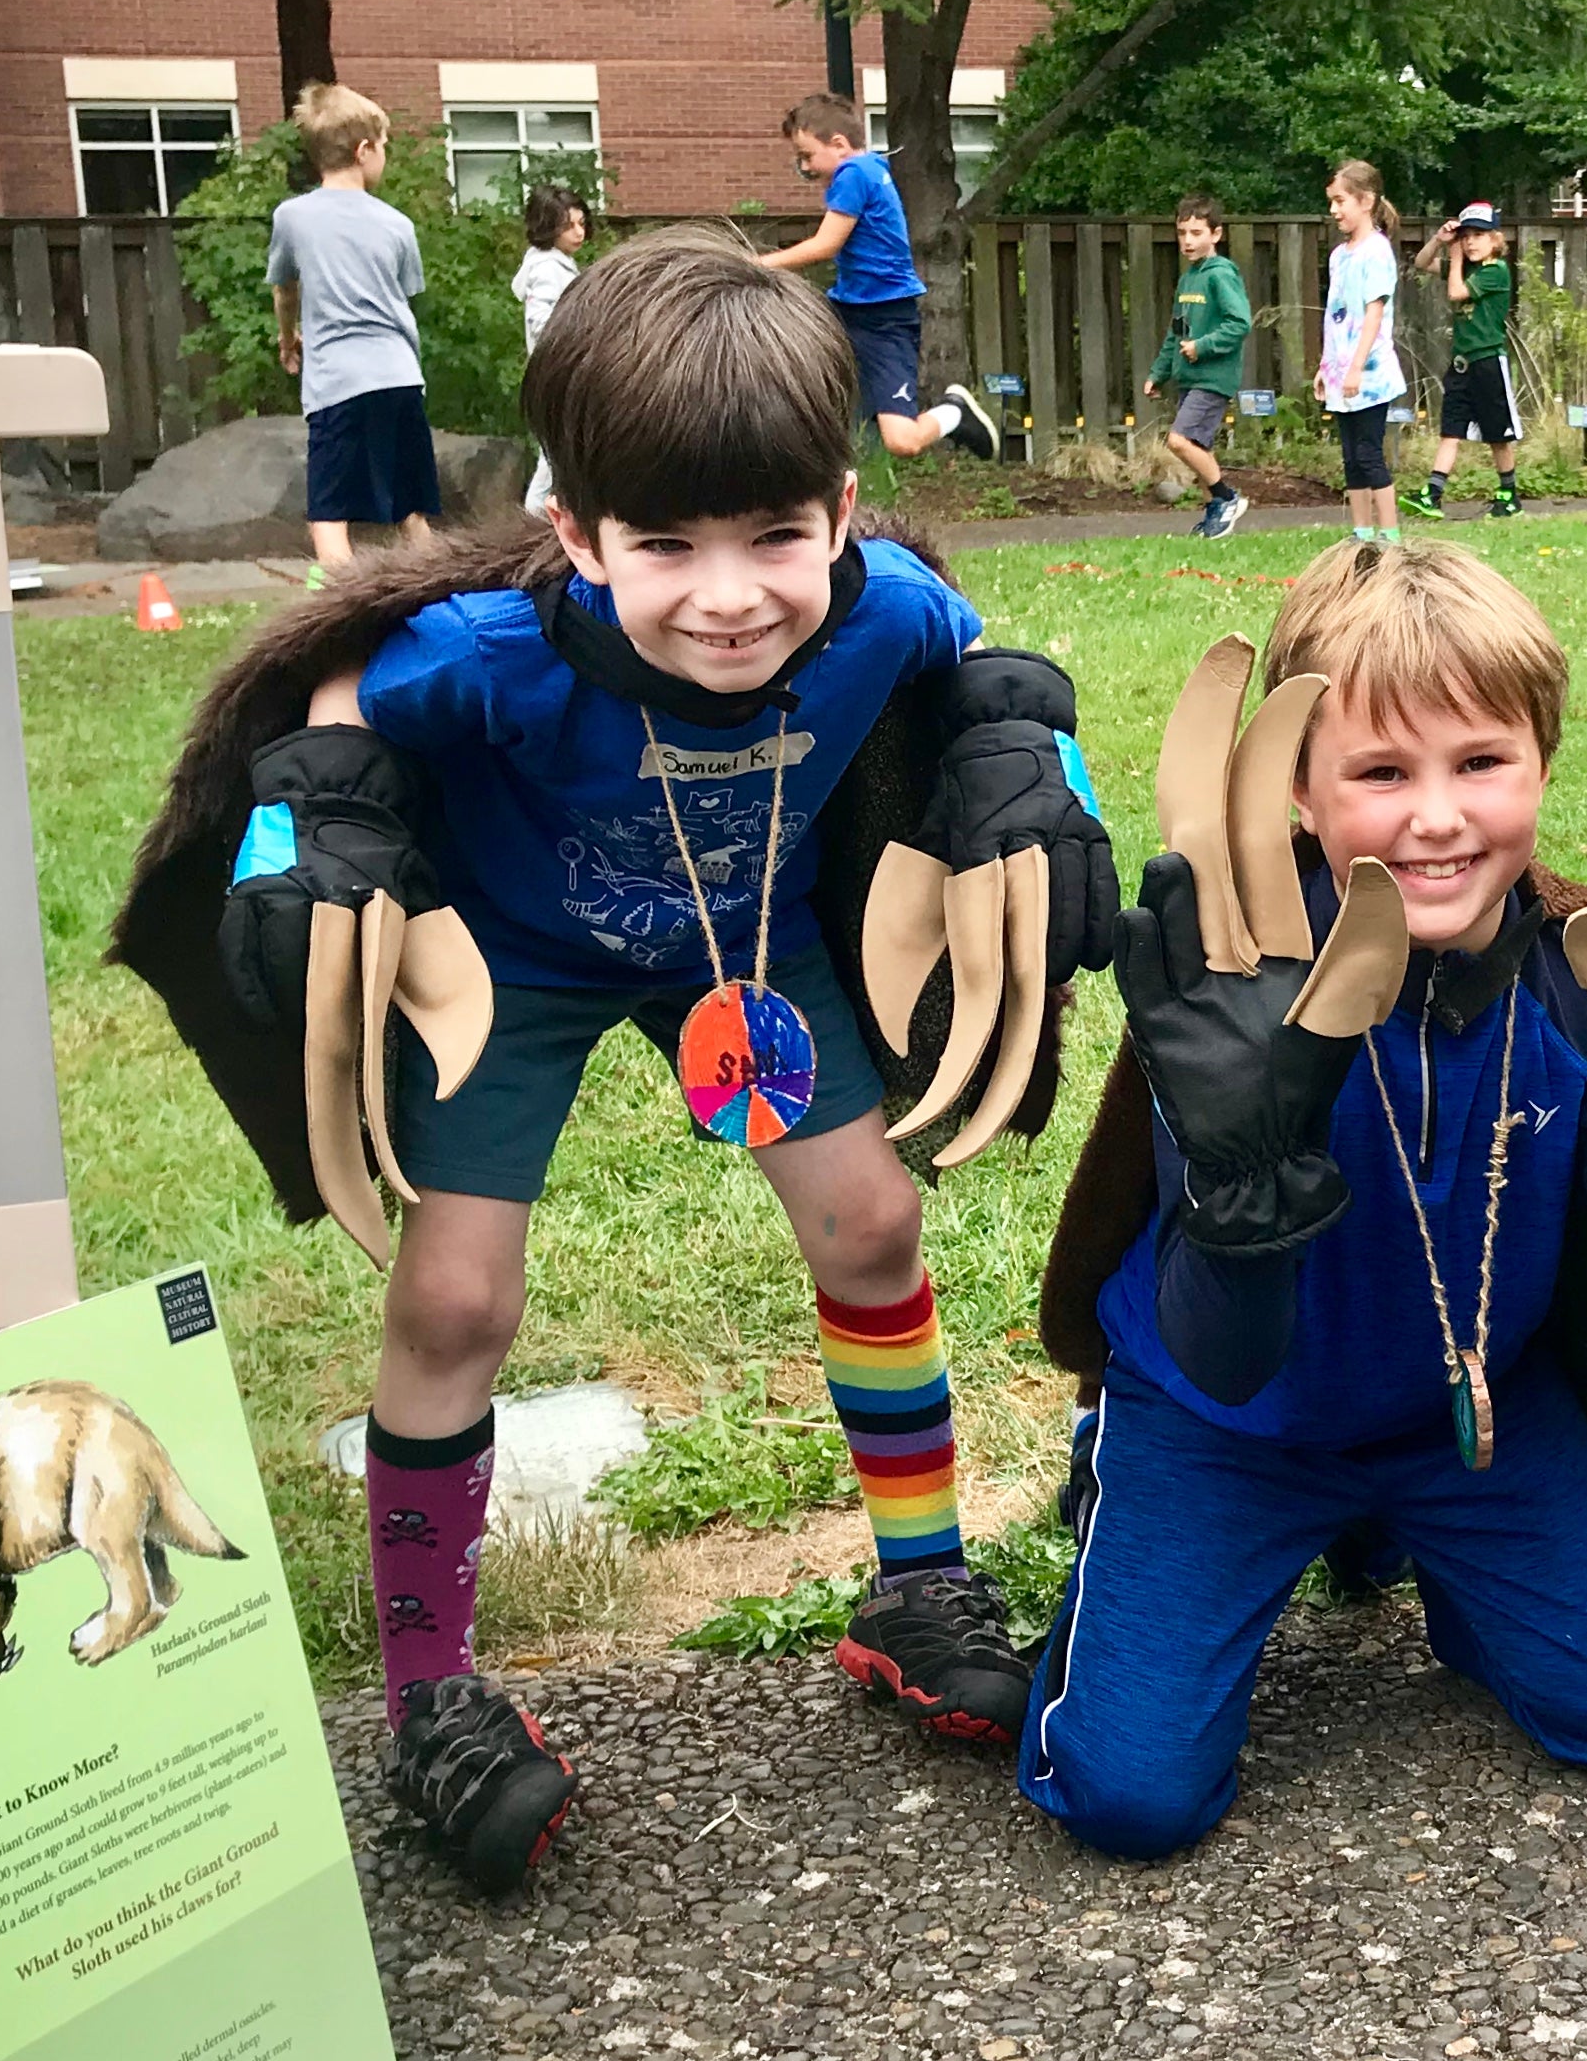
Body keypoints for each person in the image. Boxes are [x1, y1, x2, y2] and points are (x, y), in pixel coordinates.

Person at [111, 233, 1117, 1890]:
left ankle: (915, 1587)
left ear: (843, 511)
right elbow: (336, 686)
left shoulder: (877, 612)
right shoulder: (501, 649)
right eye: (664, 544)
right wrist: (311, 826)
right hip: (520, 959)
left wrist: (1030, 756)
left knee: (870, 1221)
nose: (730, 595)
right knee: (453, 1297)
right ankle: (430, 1698)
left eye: (777, 536)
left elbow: (983, 651)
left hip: (752, 948)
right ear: (572, 532)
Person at [1015, 540, 1587, 1859]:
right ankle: (1114, 1559)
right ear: (1301, 795)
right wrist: (1242, 1194)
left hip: (1467, 1414)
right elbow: (1221, 1345)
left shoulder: (1581, 976)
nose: (1437, 817)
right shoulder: (1232, 996)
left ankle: (1449, 1570)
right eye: (1381, 773)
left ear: (1542, 765)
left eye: (1479, 764)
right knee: (1132, 1798)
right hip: (1223, 1420)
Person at [755, 92, 996, 465]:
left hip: (885, 320)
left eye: (807, 156)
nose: (804, 167)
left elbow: (825, 245)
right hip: (849, 310)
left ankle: (954, 412)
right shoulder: (871, 169)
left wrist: (759, 264)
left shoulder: (854, 173)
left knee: (903, 442)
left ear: (838, 144)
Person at [269, 82, 439, 576]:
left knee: (329, 511)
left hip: (337, 383)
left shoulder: (292, 217)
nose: (385, 156)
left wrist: (288, 338)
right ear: (364, 151)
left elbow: (285, 290)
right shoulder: (397, 224)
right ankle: (438, 593)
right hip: (399, 377)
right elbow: (403, 295)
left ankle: (339, 609)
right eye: (383, 147)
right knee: (410, 509)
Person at [1144, 192, 1253, 541]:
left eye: (1196, 233)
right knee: (1200, 447)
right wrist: (1159, 372)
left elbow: (1240, 323)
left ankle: (1227, 497)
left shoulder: (1221, 274)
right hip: (1190, 376)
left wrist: (1203, 347)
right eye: (1182, 233)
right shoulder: (1189, 278)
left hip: (1213, 376)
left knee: (1179, 441)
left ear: (1215, 235)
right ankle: (1213, 519)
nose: (1188, 241)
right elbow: (1176, 333)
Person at [1403, 203, 1523, 519]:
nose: (1470, 242)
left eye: (1479, 235)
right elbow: (1421, 262)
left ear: (1495, 239)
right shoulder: (1466, 266)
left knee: (1497, 434)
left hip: (1488, 362)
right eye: (1466, 236)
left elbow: (1456, 293)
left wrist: (1455, 257)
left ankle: (1509, 494)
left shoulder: (1494, 271)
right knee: (1451, 429)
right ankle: (1433, 493)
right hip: (1462, 363)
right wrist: (1440, 240)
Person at [1318, 160, 1407, 543]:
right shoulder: (1339, 256)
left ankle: (1389, 535)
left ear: (1366, 200)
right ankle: (1361, 533)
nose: (1335, 210)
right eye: (1332, 202)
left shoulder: (1377, 252)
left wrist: (1355, 368)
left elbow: (1373, 315)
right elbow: (1334, 317)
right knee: (1351, 457)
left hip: (1369, 376)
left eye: (1341, 201)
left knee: (1370, 454)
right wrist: (1327, 366)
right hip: (1342, 374)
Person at [514, 180, 589, 519]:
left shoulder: (554, 264)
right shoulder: (547, 269)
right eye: (568, 225)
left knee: (558, 460)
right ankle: (530, 527)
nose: (578, 232)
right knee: (554, 460)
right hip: (557, 375)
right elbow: (542, 322)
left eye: (581, 223)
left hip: (560, 373)